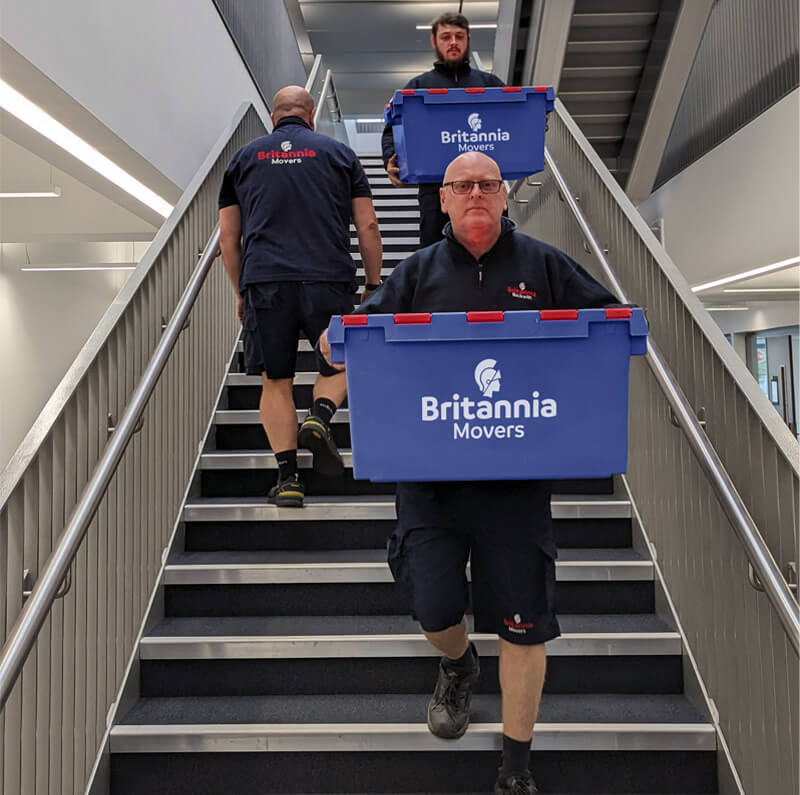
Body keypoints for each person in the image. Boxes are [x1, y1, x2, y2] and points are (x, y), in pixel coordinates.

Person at [319, 152, 619, 794]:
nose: (477, 193)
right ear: (444, 200)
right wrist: (332, 335)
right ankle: (458, 663)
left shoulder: (543, 265)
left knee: (524, 620)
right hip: (430, 480)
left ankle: (516, 766)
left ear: (505, 197)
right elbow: (359, 331)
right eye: (462, 186)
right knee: (433, 607)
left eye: (488, 184)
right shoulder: (416, 271)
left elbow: (609, 323)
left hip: (517, 478)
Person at [219, 85, 382, 508]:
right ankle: (320, 416)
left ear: (274, 117)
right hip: (327, 277)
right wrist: (373, 283)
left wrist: (241, 290)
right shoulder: (339, 155)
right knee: (342, 360)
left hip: (265, 281)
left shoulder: (243, 159)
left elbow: (228, 237)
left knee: (275, 382)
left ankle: (288, 479)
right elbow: (367, 225)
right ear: (311, 116)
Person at [381, 11, 504, 248]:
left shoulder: (490, 84)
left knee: (495, 255)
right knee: (435, 258)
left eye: (459, 36)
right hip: (434, 191)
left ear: (468, 39)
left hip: (487, 190)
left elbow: (514, 121)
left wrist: (539, 118)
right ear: (434, 41)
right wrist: (390, 160)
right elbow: (392, 129)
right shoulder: (417, 87)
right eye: (446, 37)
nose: (453, 43)